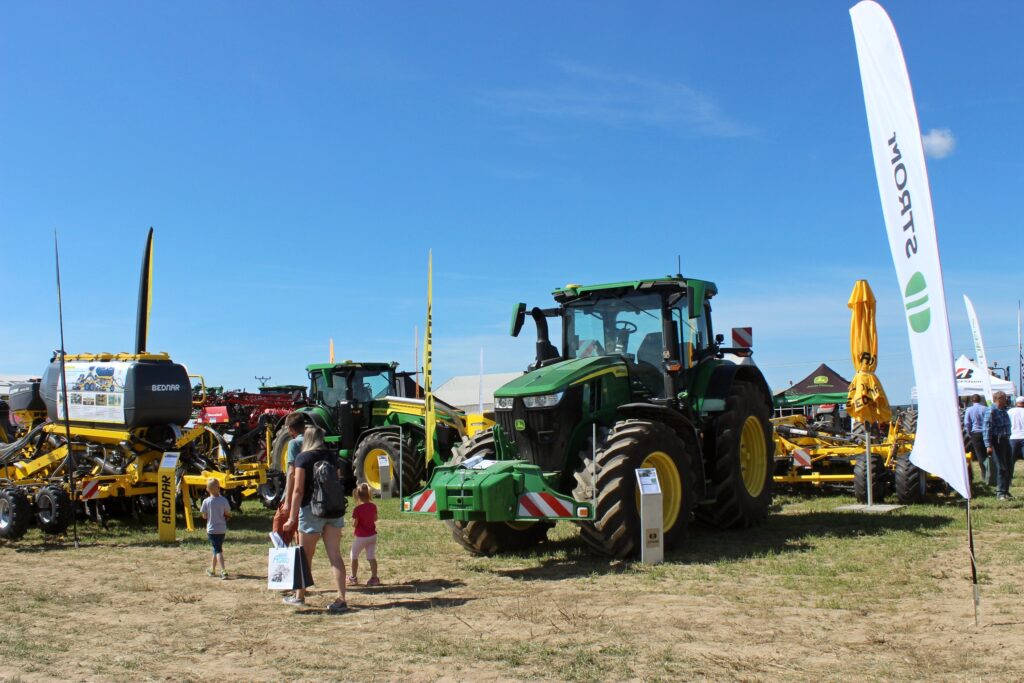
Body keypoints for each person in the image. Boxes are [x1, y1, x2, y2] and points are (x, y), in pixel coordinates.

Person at [282, 426, 348, 612]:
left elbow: (298, 490)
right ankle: (341, 599)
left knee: (305, 557)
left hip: (311, 510)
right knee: (335, 556)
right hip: (333, 510)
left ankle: (299, 596)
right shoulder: (332, 457)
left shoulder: (303, 458)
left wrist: (292, 518)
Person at [273, 412, 308, 545]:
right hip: (308, 494)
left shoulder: (294, 443)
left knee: (279, 526)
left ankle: (282, 560)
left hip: (294, 492)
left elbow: (292, 473)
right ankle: (300, 558)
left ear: (290, 428)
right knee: (300, 528)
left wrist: (287, 501)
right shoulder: (313, 441)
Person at [983, 390, 1013, 501]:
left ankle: (1006, 491)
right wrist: (988, 445)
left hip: (1006, 440)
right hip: (997, 441)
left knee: (1009, 466)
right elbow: (986, 429)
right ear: (999, 399)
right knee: (1001, 468)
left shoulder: (1004, 410)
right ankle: (1000, 493)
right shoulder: (991, 411)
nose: (1006, 401)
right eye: (1005, 398)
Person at [348, 483, 380, 587]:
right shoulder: (373, 506)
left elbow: (355, 524)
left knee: (354, 555)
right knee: (371, 557)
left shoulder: (357, 509)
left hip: (361, 537)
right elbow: (375, 518)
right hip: (372, 536)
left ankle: (353, 577)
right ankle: (374, 578)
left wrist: (353, 522)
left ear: (357, 495)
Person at [200, 478, 232, 579]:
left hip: (212, 530)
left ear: (207, 489)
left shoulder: (206, 501)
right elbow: (227, 513)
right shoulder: (223, 500)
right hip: (222, 529)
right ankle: (212, 569)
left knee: (218, 550)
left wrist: (207, 515)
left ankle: (223, 570)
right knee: (216, 548)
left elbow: (204, 515)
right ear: (219, 487)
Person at [964, 394, 994, 486]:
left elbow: (967, 423)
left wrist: (969, 433)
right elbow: (991, 421)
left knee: (980, 456)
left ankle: (985, 476)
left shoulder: (969, 410)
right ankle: (991, 474)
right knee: (989, 454)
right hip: (986, 432)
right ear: (980, 400)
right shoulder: (985, 409)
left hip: (975, 433)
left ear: (971, 400)